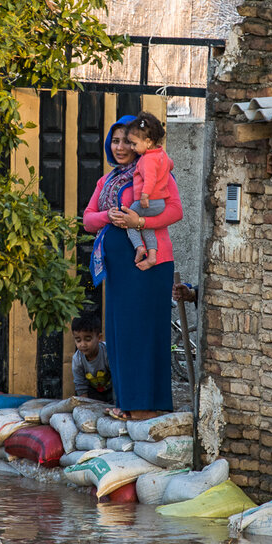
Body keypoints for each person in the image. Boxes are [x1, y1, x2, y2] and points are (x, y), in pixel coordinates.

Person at [84, 114, 183, 421]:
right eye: (115, 140)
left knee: (143, 333)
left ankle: (145, 405)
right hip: (118, 271)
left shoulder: (156, 169)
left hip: (146, 267)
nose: (121, 146)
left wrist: (139, 222)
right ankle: (126, 402)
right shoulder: (107, 179)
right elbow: (88, 218)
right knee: (119, 334)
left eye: (128, 140)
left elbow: (175, 211)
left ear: (141, 143)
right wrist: (110, 216)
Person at [124, 112, 174, 271]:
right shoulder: (161, 155)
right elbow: (170, 165)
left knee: (129, 220)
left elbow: (150, 178)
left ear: (148, 141)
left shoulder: (147, 159)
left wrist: (144, 196)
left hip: (148, 201)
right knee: (148, 227)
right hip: (159, 203)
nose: (132, 148)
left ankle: (139, 247)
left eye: (134, 144)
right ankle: (152, 256)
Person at [70, 312, 113, 403]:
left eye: (88, 339)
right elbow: (81, 386)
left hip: (112, 390)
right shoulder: (77, 360)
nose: (82, 344)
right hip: (94, 393)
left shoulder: (108, 353)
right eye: (78, 340)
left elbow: (118, 379)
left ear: (99, 337)